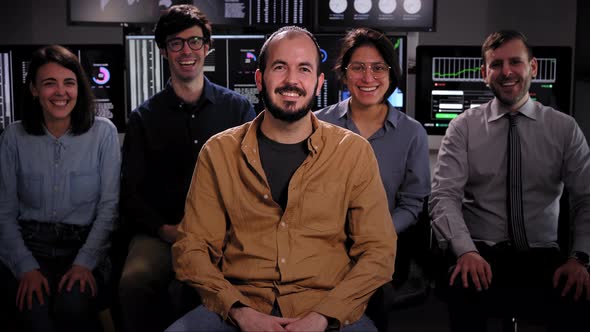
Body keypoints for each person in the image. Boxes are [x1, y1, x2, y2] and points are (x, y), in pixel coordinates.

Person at [165, 26, 396, 332]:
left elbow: (378, 252)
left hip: (327, 310)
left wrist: (324, 317)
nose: (291, 80)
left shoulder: (353, 153)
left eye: (304, 69)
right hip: (238, 307)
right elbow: (191, 248)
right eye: (279, 67)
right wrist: (240, 311)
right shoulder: (218, 152)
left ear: (318, 83)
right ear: (260, 79)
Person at [430, 29, 590, 331]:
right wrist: (465, 250)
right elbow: (444, 196)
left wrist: (580, 258)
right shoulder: (462, 128)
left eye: (515, 62)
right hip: (481, 252)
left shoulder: (564, 129)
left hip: (543, 255)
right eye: (496, 64)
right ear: (484, 73)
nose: (506, 72)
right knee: (461, 291)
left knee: (580, 295)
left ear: (533, 68)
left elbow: (586, 197)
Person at [117, 4, 256, 332]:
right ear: (163, 51)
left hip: (225, 234)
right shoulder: (143, 118)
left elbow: (252, 179)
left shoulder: (238, 110)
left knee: (241, 283)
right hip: (164, 233)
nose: (186, 51)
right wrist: (165, 230)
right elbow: (132, 193)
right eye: (176, 43)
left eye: (194, 42)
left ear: (207, 47)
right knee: (135, 281)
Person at [0, 45, 120, 332]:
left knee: (72, 307)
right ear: (33, 89)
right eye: (49, 83)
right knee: (34, 312)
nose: (60, 92)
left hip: (83, 246)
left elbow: (109, 208)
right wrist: (25, 267)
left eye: (69, 82)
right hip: (30, 247)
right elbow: (3, 212)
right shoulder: (13, 137)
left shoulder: (104, 133)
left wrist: (84, 263)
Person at [315, 27, 430, 293]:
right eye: (358, 68)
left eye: (378, 67)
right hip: (322, 249)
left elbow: (412, 203)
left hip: (381, 252)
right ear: (344, 73)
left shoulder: (412, 134)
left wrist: (374, 235)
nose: (368, 77)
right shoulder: (318, 125)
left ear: (391, 74)